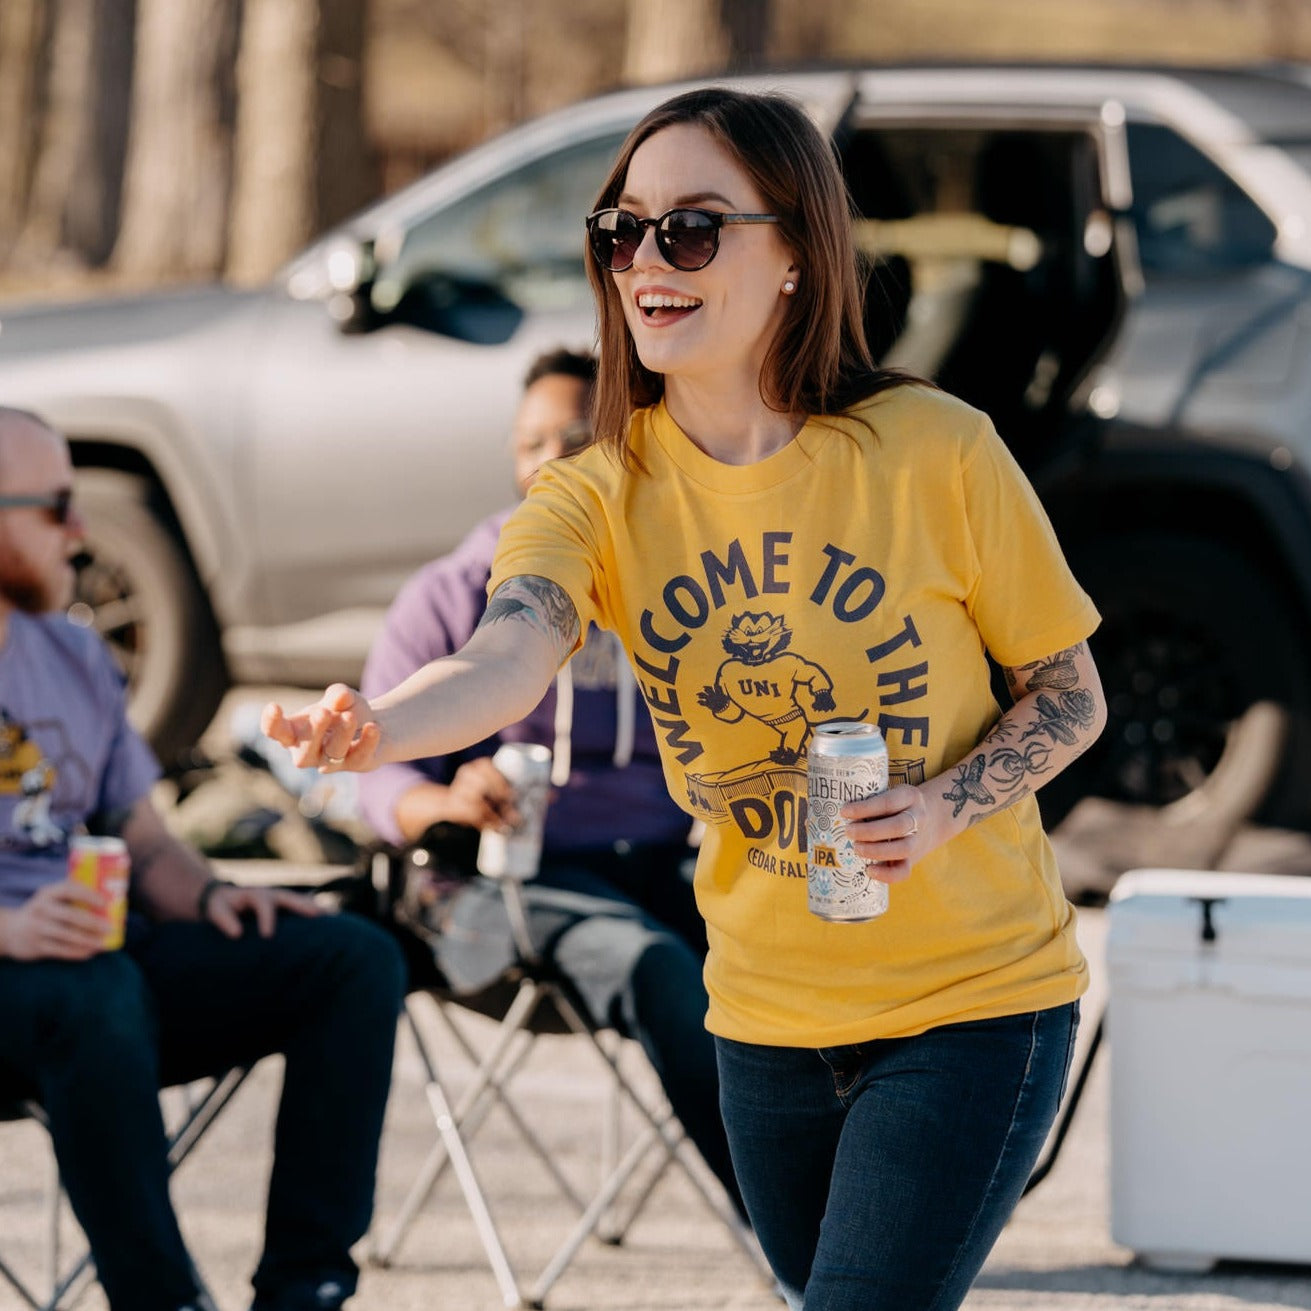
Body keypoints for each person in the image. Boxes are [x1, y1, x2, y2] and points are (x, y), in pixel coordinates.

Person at [265, 86, 1107, 1311]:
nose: (646, 260)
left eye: (694, 229)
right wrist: (380, 728)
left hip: (975, 1007)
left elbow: (1072, 696)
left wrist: (941, 810)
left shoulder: (935, 450)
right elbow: (507, 654)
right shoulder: (596, 494)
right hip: (761, 1020)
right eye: (623, 230)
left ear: (796, 260)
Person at [0, 406, 407, 1311]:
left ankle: (304, 1290)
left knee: (351, 958)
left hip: (95, 972)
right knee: (94, 987)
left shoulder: (72, 653)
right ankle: (164, 1300)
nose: (81, 528)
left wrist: (214, 894)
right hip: (32, 984)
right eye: (56, 506)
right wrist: (10, 926)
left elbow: (139, 836)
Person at [356, 346, 741, 1213]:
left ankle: (878, 1196)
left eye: (575, 437)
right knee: (657, 969)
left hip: (658, 860)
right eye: (530, 443)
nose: (550, 462)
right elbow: (378, 785)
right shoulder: (455, 590)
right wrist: (448, 802)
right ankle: (807, 1240)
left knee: (807, 939)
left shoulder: (690, 577)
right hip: (503, 882)